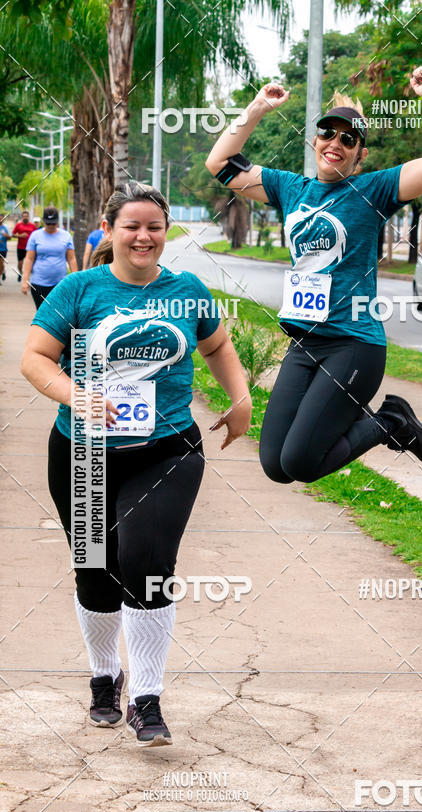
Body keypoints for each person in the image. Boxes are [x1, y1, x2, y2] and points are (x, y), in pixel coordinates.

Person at [21, 181, 252, 747]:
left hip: (168, 449)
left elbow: (218, 346)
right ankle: (106, 676)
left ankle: (147, 700)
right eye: (133, 226)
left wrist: (240, 398)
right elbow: (34, 357)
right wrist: (77, 395)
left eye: (154, 226)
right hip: (85, 451)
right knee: (96, 569)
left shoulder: (188, 291)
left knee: (147, 560)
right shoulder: (80, 289)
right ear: (111, 231)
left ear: (166, 231)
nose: (144, 236)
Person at [206, 65, 422, 484]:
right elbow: (219, 162)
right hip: (304, 344)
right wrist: (258, 107)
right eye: (327, 132)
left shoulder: (372, 191)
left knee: (302, 463)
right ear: (315, 139)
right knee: (275, 465)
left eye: (348, 138)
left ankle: (390, 422)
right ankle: (379, 419)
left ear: (360, 154)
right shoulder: (290, 189)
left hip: (353, 344)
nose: (335, 142)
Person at [21, 206, 77, 309]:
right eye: (48, 223)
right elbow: (29, 259)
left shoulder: (66, 236)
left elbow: (71, 259)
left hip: (60, 284)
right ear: (44, 221)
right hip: (39, 283)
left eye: (53, 223)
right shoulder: (35, 236)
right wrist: (25, 280)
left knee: (59, 314)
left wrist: (75, 280)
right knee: (43, 314)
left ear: (57, 221)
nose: (51, 226)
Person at [12, 210, 37, 281]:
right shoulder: (18, 225)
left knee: (31, 262)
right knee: (20, 263)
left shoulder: (32, 225)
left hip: (30, 248)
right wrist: (20, 235)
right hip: (20, 247)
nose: (25, 217)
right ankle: (20, 273)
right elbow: (12, 234)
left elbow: (36, 235)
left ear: (28, 217)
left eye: (26, 216)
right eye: (24, 216)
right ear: (22, 217)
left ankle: (30, 276)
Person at [0, 216, 10, 282]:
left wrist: (6, 235)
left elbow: (10, 238)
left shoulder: (5, 228)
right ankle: (3, 271)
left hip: (3, 249)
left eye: (1, 218)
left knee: (1, 263)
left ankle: (0, 277)